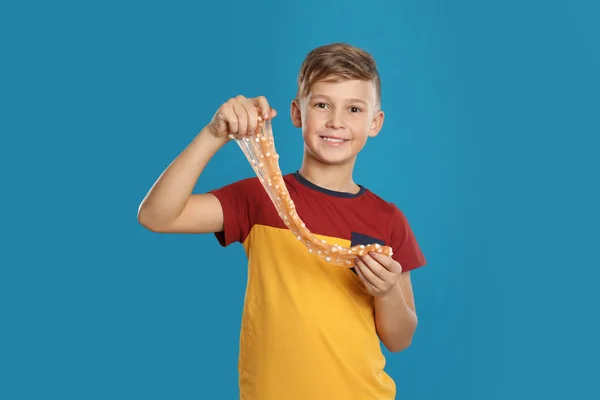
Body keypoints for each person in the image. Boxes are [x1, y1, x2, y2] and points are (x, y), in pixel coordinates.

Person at [138, 42, 427, 400]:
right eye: (322, 104)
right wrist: (213, 135)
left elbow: (400, 339)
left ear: (375, 123)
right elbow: (156, 216)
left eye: (354, 109)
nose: (336, 121)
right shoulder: (258, 197)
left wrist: (385, 293)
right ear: (297, 113)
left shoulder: (387, 219)